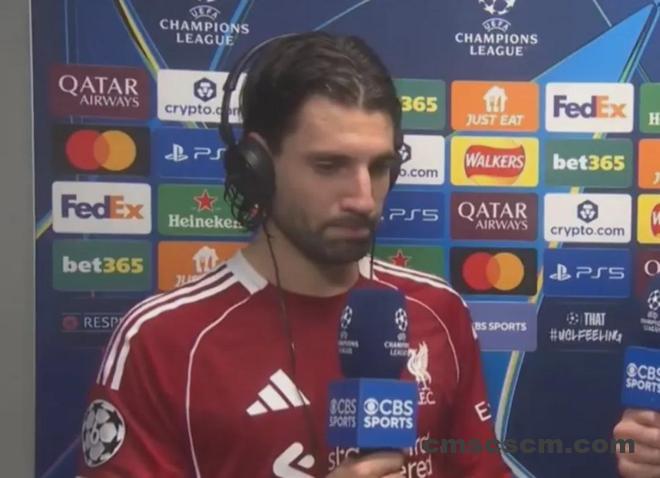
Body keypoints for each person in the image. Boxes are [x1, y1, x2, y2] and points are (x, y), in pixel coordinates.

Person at [77, 32, 512, 477]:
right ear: (259, 167)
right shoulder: (162, 340)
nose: (364, 199)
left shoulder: (439, 311)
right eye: (329, 166)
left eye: (380, 167)